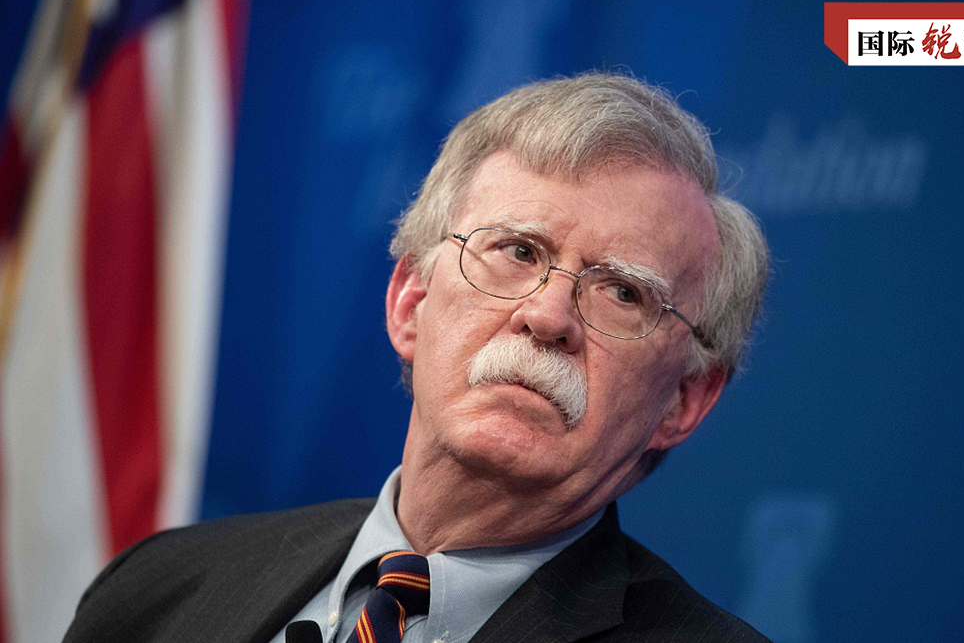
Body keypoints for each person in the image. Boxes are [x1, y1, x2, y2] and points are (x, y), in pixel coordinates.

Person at [64, 72, 771, 643]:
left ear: (684, 399)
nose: (548, 316)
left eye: (622, 292)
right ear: (410, 301)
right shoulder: (157, 591)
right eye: (518, 251)